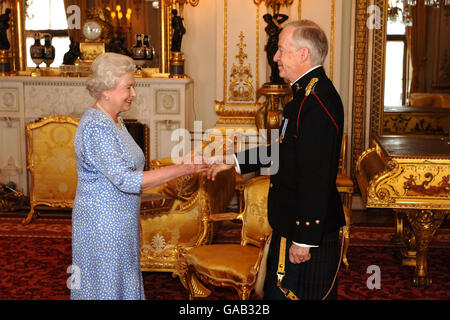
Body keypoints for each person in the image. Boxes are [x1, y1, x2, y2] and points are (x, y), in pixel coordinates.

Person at [206, 20, 345, 300]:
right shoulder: (305, 96)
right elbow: (285, 152)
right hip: (293, 225)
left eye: (281, 50)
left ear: (303, 54)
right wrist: (233, 160)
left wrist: (304, 239)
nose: (275, 57)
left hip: (305, 234)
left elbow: (315, 174)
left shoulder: (316, 101)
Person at [71, 52, 209, 300]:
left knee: (122, 285)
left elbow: (130, 174)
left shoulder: (115, 120)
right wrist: (183, 168)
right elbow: (128, 180)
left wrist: (134, 223)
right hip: (102, 227)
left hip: (120, 222)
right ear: (106, 90)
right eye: (129, 87)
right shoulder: (96, 128)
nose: (134, 94)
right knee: (106, 289)